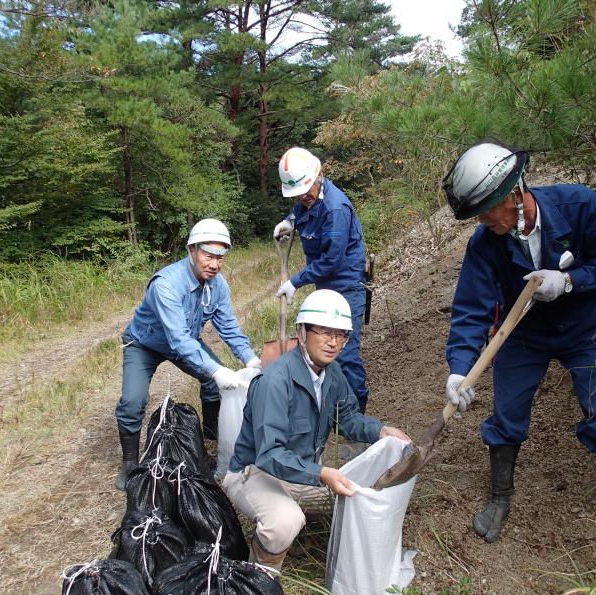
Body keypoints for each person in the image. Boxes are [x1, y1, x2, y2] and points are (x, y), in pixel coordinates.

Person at [442, 138, 596, 543]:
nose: (482, 222)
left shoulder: (580, 206)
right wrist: (459, 369)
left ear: (515, 192)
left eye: (485, 212)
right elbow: (471, 309)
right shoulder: (485, 244)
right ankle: (500, 496)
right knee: (507, 417)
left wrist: (569, 281)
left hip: (582, 330)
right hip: (522, 336)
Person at [222, 289, 411, 571]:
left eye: (340, 335)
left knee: (351, 500)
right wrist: (321, 473)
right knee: (285, 522)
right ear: (302, 332)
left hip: (301, 471)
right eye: (324, 332)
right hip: (255, 472)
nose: (333, 342)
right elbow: (269, 454)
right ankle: (257, 576)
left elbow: (348, 420)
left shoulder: (332, 374)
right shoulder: (275, 381)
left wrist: (381, 431)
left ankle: (294, 538)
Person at [114, 218, 261, 490]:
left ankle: (211, 432)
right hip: (145, 344)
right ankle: (129, 464)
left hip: (185, 342)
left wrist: (250, 358)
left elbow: (227, 326)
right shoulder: (166, 285)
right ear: (192, 250)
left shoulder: (218, 285)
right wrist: (216, 370)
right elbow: (177, 338)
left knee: (213, 382)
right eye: (208, 255)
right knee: (133, 401)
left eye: (221, 257)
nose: (215, 264)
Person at [272, 147, 371, 413]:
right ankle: (330, 407)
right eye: (297, 194)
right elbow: (301, 211)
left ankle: (356, 412)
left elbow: (331, 261)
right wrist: (289, 221)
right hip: (326, 287)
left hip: (347, 288)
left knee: (344, 353)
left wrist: (295, 281)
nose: (302, 197)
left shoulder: (335, 208)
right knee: (320, 350)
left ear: (319, 175)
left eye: (305, 191)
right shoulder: (308, 200)